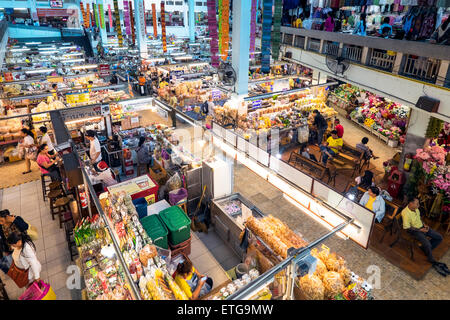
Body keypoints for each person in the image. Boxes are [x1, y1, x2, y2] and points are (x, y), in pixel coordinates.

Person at [401, 197, 449, 276]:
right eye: (417, 204)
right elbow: (407, 227)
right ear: (410, 203)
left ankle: (426, 248)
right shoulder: (405, 213)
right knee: (427, 244)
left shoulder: (416, 209)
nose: (418, 205)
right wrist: (420, 230)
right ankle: (430, 258)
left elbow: (419, 218)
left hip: (421, 227)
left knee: (439, 237)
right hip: (415, 231)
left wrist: (424, 225)